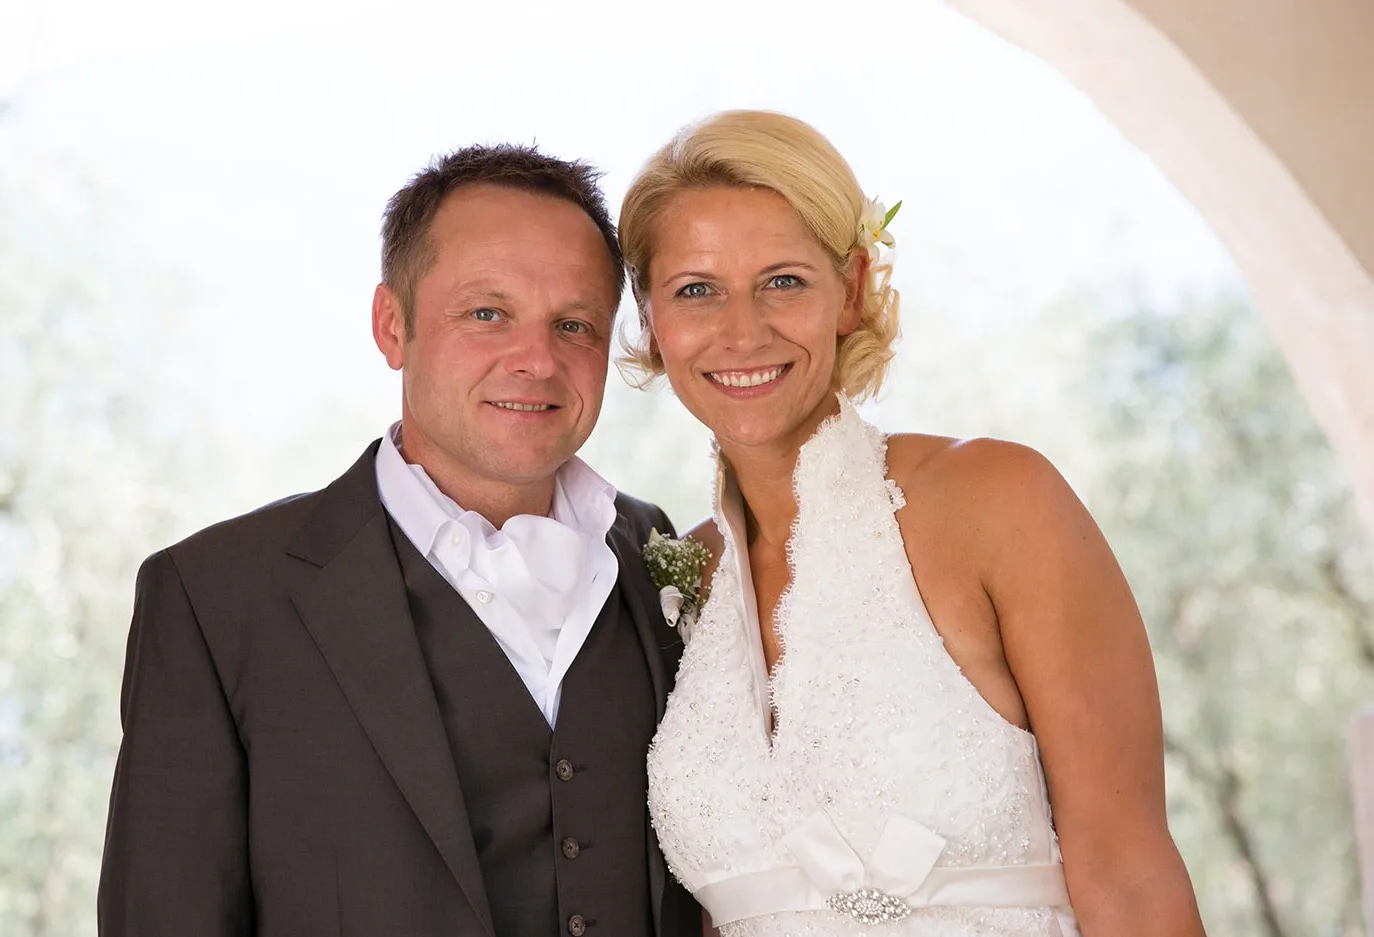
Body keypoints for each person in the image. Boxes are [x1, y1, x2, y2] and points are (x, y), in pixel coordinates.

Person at [622, 111, 1206, 936]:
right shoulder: (681, 578)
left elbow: (1132, 877)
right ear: (650, 320)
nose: (742, 329)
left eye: (783, 280)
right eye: (696, 290)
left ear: (851, 290)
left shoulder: (999, 499)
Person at [98, 144, 701, 937]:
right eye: (487, 313)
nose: (537, 359)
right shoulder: (217, 596)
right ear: (393, 325)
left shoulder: (659, 552)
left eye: (574, 324)